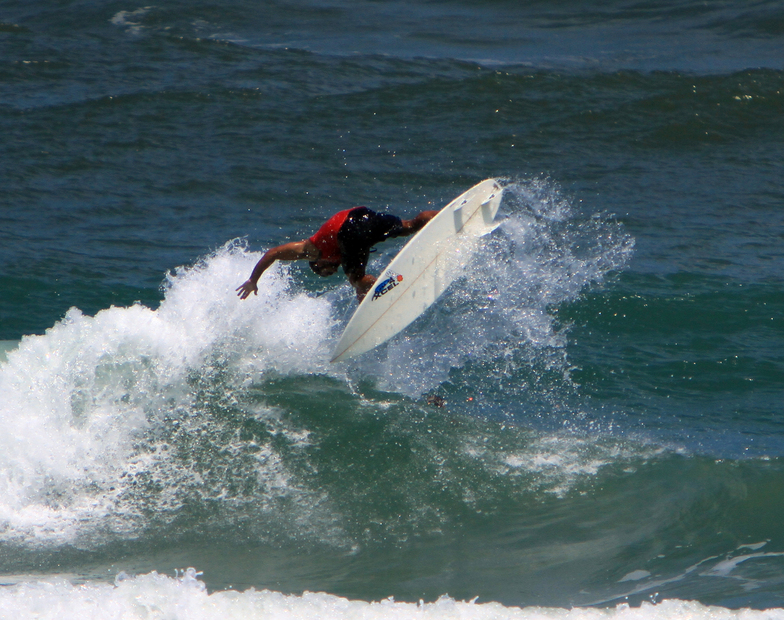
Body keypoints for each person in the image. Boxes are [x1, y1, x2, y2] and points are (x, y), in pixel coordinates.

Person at [236, 206, 439, 302]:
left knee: (357, 280)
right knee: (410, 225)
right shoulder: (341, 254)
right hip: (363, 214)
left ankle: (391, 286)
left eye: (327, 271)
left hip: (348, 228)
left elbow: (273, 253)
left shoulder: (310, 251)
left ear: (318, 264)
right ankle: (442, 215)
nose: (334, 269)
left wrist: (253, 280)